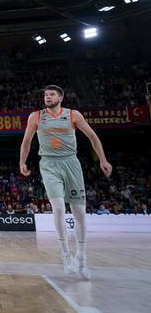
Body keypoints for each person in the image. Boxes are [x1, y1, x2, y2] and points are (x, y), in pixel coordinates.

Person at [19, 85, 112, 280]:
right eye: (46, 94)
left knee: (79, 213)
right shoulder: (35, 117)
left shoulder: (73, 115)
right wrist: (22, 162)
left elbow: (93, 137)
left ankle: (82, 257)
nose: (47, 97)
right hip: (49, 164)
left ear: (60, 97)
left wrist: (103, 159)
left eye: (51, 94)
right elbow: (26, 141)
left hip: (71, 163)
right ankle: (66, 255)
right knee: (59, 208)